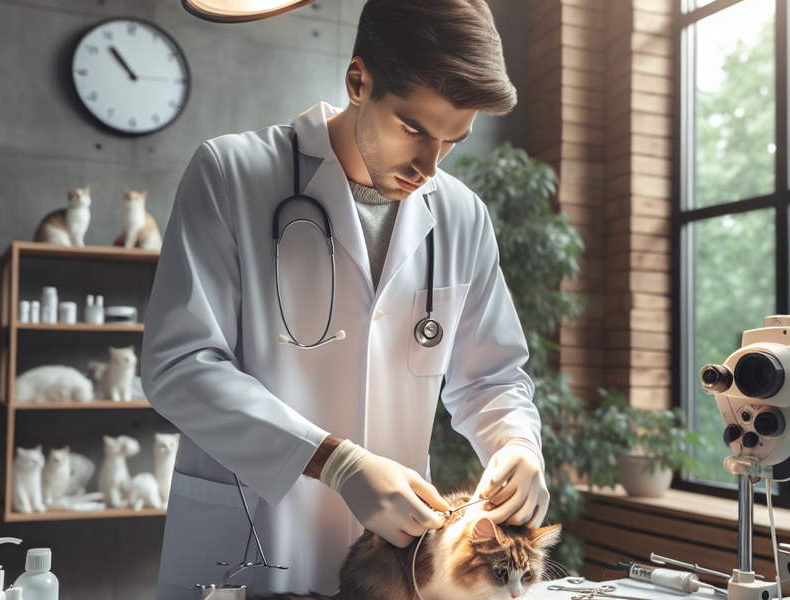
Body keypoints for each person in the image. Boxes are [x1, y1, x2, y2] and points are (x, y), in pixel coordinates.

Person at [141, 0, 550, 597]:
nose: (428, 167)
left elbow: (491, 376)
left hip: (393, 564)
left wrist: (517, 441)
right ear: (358, 81)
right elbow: (179, 365)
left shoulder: (461, 215)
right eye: (412, 128)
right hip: (251, 538)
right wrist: (335, 461)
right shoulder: (231, 173)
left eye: (452, 140)